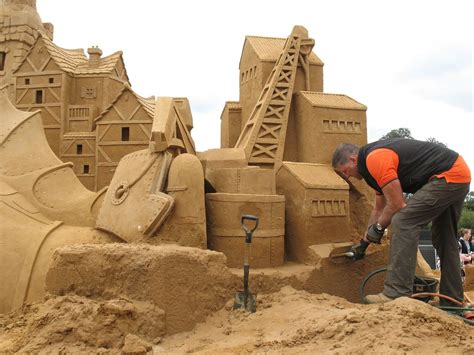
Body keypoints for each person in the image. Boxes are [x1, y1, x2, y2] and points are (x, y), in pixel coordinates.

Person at [331, 138, 471, 305]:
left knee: (403, 221)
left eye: (346, 171)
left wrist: (379, 228)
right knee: (445, 239)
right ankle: (452, 301)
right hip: (458, 175)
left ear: (353, 160)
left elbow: (397, 204)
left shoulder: (375, 159)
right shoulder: (371, 172)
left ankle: (396, 292)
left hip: (447, 176)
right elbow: (379, 209)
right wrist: (364, 241)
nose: (348, 176)